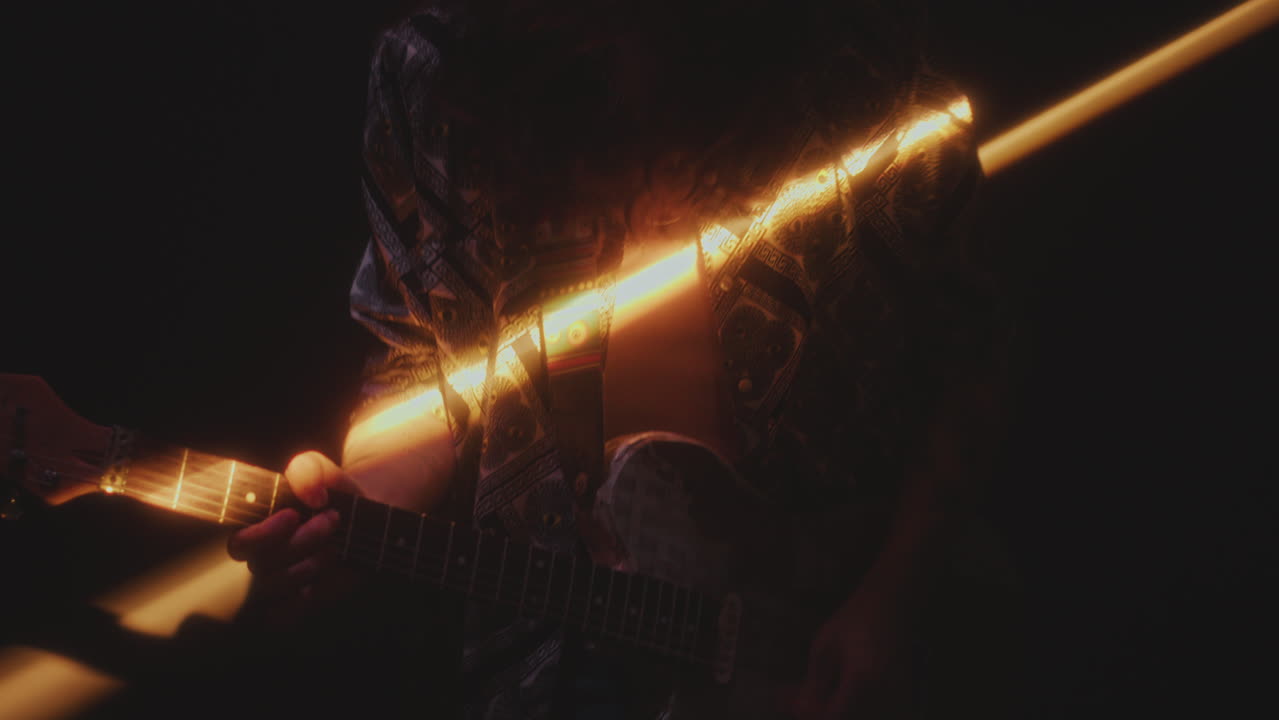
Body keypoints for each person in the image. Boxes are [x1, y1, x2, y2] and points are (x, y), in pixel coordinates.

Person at [227, 1, 1015, 717]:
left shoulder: (860, 66)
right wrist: (357, 506)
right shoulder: (433, 75)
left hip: (859, 646)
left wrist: (890, 598)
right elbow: (420, 367)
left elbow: (972, 356)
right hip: (553, 661)